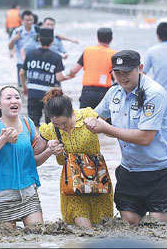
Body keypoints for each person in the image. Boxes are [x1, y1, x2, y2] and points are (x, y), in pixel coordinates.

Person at [85, 50, 167, 225]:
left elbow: (145, 138)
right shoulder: (114, 93)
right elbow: (91, 116)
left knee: (157, 226)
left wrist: (107, 128)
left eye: (127, 72)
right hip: (131, 169)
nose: (122, 77)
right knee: (129, 223)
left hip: (162, 170)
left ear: (140, 68)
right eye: (118, 72)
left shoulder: (154, 93)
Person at [0, 85, 61, 228]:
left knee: (37, 234)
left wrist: (49, 150)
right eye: (8, 98)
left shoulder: (28, 123)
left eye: (17, 97)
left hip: (28, 190)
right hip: (2, 193)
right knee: (7, 239)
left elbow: (32, 161)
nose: (14, 101)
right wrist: (3, 139)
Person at [39, 88, 113, 228]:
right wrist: (49, 148)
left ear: (71, 113)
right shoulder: (49, 130)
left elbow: (113, 134)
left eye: (64, 124)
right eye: (56, 125)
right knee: (84, 227)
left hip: (97, 177)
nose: (61, 127)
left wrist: (101, 127)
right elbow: (33, 155)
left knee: (103, 224)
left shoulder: (88, 115)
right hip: (72, 183)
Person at [20, 28, 70, 127]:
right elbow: (59, 77)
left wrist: (25, 87)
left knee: (33, 125)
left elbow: (22, 73)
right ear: (52, 41)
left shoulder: (30, 54)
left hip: (33, 92)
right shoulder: (56, 57)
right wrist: (70, 76)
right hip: (50, 95)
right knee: (51, 125)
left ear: (39, 39)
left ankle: (34, 142)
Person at [67, 28, 117, 109]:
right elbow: (116, 78)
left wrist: (69, 75)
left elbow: (74, 70)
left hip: (88, 91)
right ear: (111, 39)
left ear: (98, 38)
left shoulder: (88, 51)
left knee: (84, 119)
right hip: (104, 92)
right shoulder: (114, 54)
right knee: (103, 120)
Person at [8, 10, 38, 87]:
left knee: (34, 86)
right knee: (21, 87)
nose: (29, 22)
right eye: (27, 20)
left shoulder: (37, 30)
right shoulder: (18, 31)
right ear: (22, 21)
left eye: (31, 20)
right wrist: (14, 39)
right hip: (21, 63)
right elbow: (10, 47)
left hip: (35, 63)